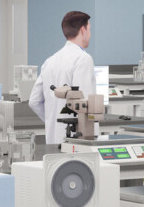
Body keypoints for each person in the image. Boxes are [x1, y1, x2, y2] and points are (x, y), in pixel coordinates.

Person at [29, 11, 96, 145]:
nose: (89, 34)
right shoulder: (83, 59)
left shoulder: (50, 61)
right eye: (89, 29)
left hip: (53, 139)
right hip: (78, 142)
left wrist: (52, 120)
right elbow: (86, 104)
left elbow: (34, 101)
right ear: (83, 30)